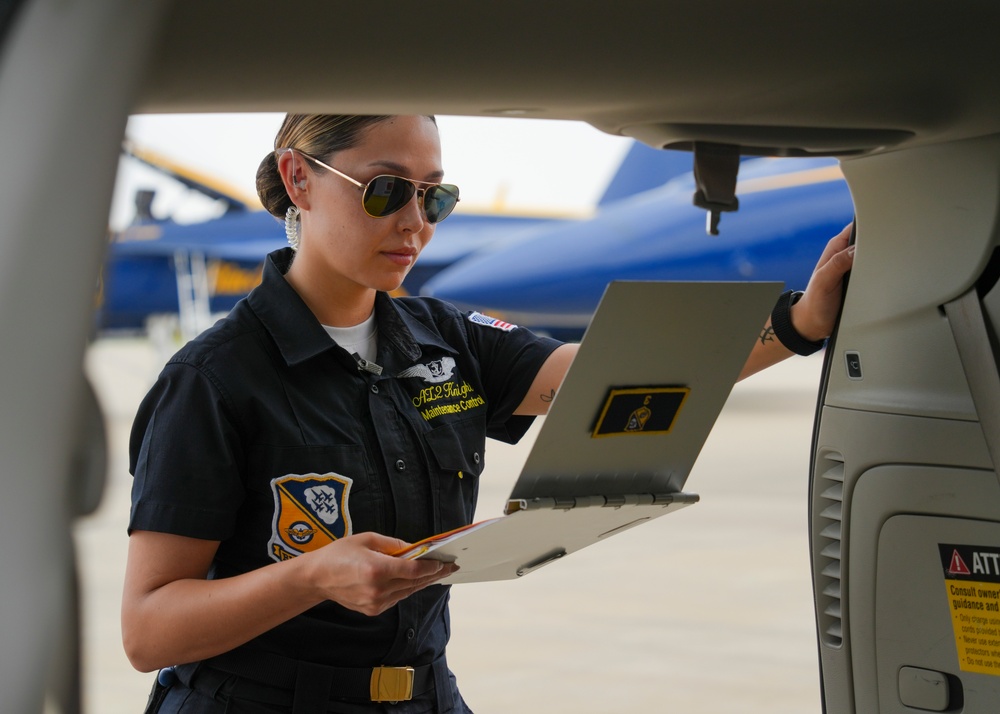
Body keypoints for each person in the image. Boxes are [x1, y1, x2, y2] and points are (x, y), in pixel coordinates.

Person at [122, 114, 855, 714]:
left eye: (433, 197)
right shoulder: (212, 381)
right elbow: (149, 630)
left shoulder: (448, 337)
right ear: (298, 179)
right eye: (385, 191)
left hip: (425, 696)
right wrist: (308, 579)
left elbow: (607, 383)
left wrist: (798, 325)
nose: (415, 222)